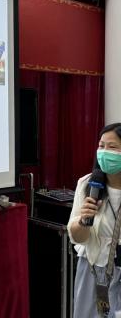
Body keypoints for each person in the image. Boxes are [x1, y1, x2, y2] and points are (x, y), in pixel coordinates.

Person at [68, 123, 121, 317]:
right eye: (101, 146)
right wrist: (83, 220)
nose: (104, 152)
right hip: (93, 270)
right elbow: (77, 237)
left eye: (112, 147)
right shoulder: (87, 184)